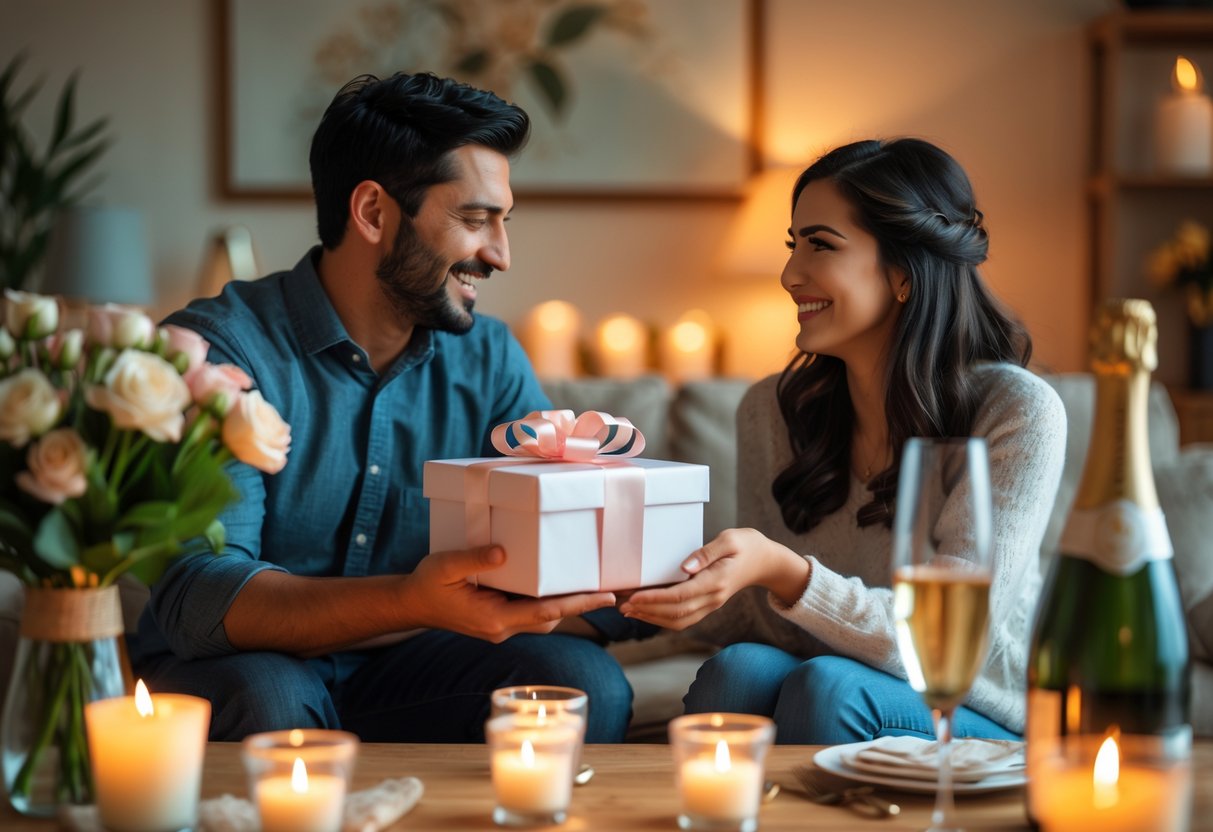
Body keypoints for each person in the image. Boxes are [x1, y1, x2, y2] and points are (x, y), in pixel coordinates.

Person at [130, 72, 640, 743]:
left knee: (581, 683)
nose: (500, 255)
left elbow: (558, 551)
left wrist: (647, 575)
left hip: (411, 664)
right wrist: (410, 599)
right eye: (474, 219)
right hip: (241, 669)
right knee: (272, 695)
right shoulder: (220, 353)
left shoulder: (487, 357)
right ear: (372, 212)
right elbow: (201, 598)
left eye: (503, 222)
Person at [618, 138, 1066, 744]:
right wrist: (633, 592)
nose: (789, 274)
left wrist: (785, 570)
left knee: (828, 686)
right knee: (737, 672)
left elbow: (943, 640)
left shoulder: (1017, 411)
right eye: (792, 244)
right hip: (833, 675)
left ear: (904, 273)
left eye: (820, 245)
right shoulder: (771, 411)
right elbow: (772, 629)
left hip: (973, 706)